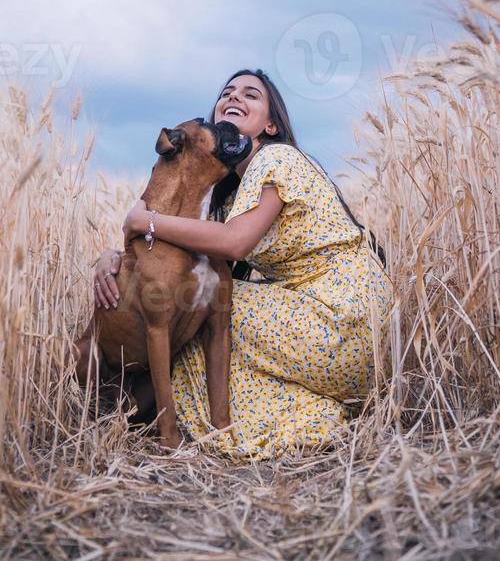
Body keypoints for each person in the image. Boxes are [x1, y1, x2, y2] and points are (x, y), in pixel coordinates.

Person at [93, 69, 392, 459]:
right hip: (334, 330)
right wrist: (115, 257)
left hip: (341, 314)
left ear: (270, 124)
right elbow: (188, 259)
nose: (234, 97)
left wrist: (142, 221)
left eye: (251, 94)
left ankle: (145, 416)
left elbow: (233, 245)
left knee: (196, 307)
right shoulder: (231, 200)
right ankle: (312, 415)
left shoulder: (277, 158)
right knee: (196, 308)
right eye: (227, 93)